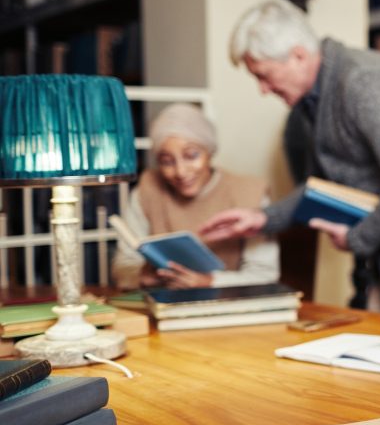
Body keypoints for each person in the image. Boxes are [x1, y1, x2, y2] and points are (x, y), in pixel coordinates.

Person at [200, 0, 380, 301]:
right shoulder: (311, 101)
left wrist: (357, 238)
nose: (263, 90)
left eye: (263, 75)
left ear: (298, 56)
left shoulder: (363, 82)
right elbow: (323, 188)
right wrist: (263, 218)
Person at [112, 103, 280, 290]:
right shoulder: (148, 189)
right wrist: (143, 276)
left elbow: (265, 274)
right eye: (166, 161)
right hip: (164, 306)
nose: (181, 172)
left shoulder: (250, 192)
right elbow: (123, 268)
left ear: (209, 151)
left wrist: (208, 282)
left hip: (228, 307)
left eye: (191, 155)